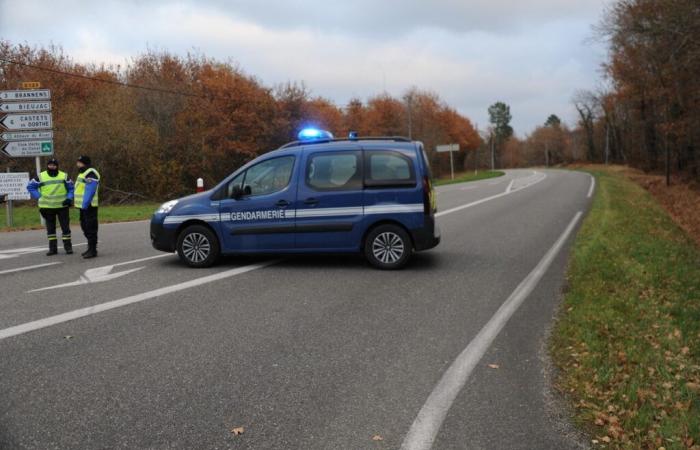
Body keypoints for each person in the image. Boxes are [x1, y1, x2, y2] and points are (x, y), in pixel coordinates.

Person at [26, 158, 74, 256]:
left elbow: (71, 188)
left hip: (62, 206)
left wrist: (69, 198)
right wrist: (38, 196)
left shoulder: (64, 176)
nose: (52, 167)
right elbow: (30, 186)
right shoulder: (41, 176)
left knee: (65, 228)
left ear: (57, 166)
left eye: (54, 165)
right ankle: (53, 249)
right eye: (50, 165)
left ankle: (68, 247)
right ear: (47, 166)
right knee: (50, 229)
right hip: (47, 207)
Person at [74, 155, 101, 259]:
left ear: (83, 163)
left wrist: (84, 204)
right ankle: (90, 248)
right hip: (83, 206)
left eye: (79, 162)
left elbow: (90, 190)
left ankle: (93, 250)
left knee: (91, 228)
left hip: (89, 205)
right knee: (85, 226)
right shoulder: (82, 173)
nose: (77, 164)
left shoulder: (91, 173)